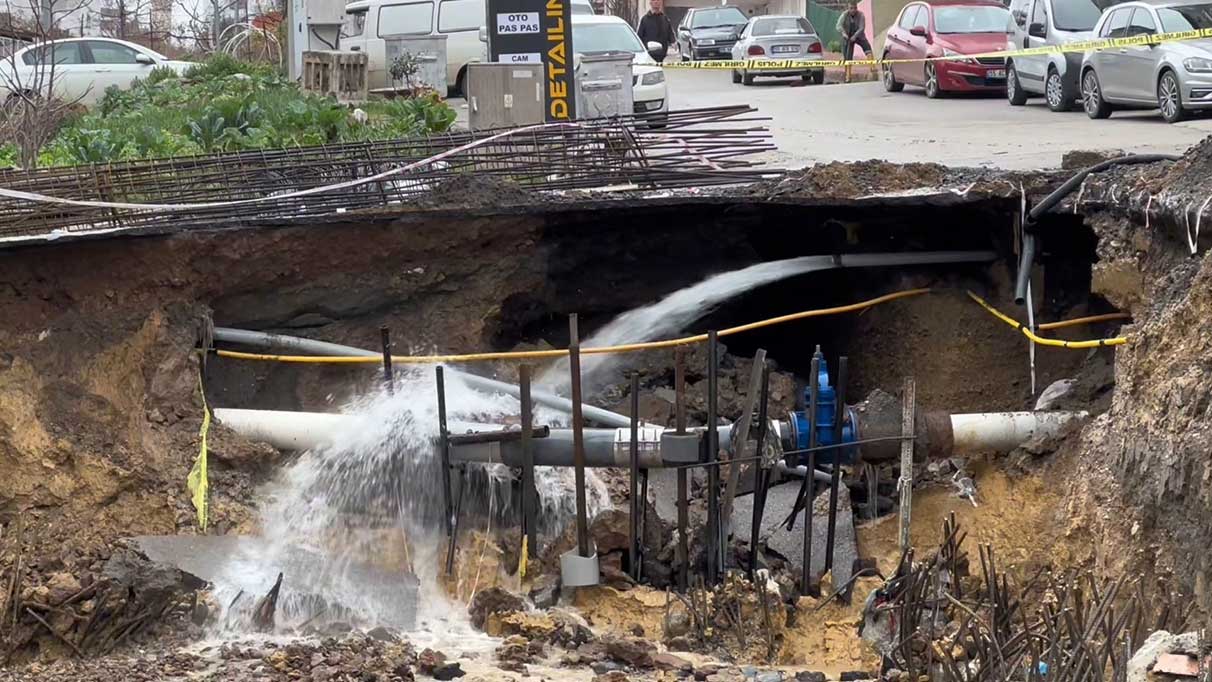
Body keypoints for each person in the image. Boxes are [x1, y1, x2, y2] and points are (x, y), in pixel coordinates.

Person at [836, 1, 876, 83]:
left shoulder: (861, 15)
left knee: (868, 48)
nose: (853, 10)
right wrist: (844, 33)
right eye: (851, 8)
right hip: (847, 37)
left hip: (859, 36)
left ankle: (873, 69)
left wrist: (855, 36)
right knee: (847, 56)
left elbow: (862, 28)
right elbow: (838, 26)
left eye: (854, 8)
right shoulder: (844, 15)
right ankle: (848, 76)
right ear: (848, 8)